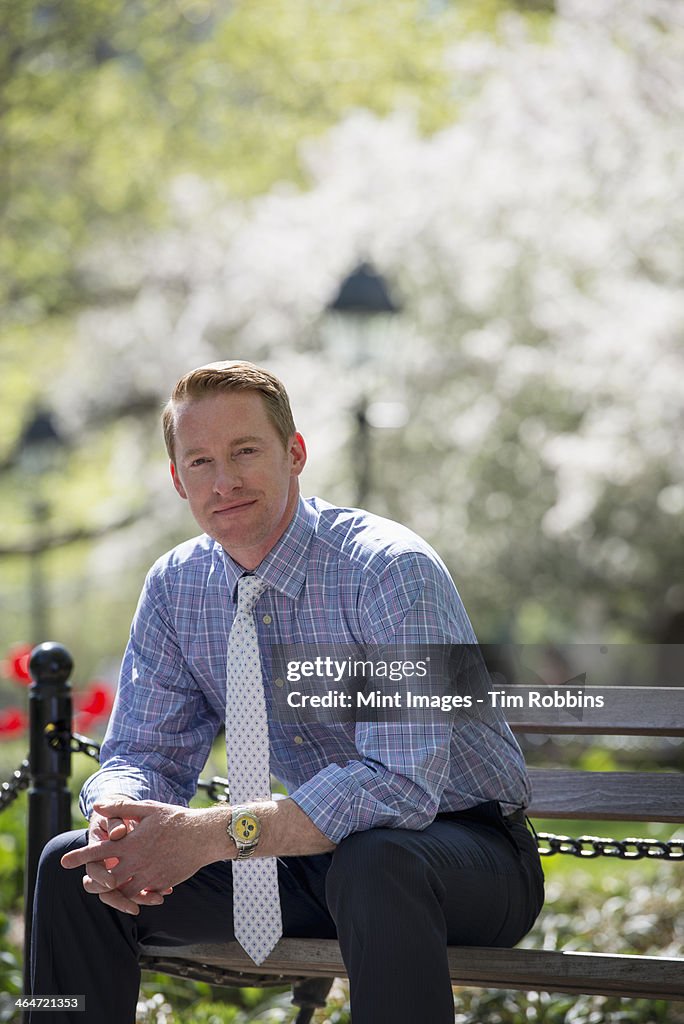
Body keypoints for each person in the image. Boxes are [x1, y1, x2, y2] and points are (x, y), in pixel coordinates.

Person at [30, 361, 544, 1024]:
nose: (226, 481)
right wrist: (119, 816)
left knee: (377, 859)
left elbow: (400, 788)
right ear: (177, 479)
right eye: (201, 462)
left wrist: (212, 834)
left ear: (294, 453)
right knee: (72, 866)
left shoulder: (389, 571)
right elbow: (144, 747)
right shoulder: (176, 587)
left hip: (467, 858)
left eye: (246, 451)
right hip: (307, 858)